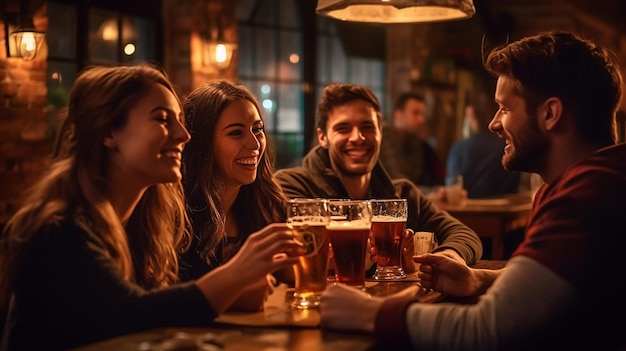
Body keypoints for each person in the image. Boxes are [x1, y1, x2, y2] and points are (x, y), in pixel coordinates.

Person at [320, 31, 626, 350]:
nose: (493, 124)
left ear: (550, 114)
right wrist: (479, 278)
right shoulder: (581, 184)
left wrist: (371, 312)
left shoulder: (590, 193)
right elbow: (559, 284)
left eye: (505, 109)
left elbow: (486, 331)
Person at [0, 65, 304, 351]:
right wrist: (237, 273)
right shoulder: (60, 229)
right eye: (162, 119)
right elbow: (130, 315)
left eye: (180, 122)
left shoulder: (144, 220)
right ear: (108, 133)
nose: (184, 136)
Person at [274, 83, 483, 273]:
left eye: (367, 127)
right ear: (323, 138)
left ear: (380, 132)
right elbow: (284, 263)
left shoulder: (402, 194)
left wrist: (444, 258)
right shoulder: (293, 189)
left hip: (390, 311)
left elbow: (464, 235)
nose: (357, 138)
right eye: (343, 128)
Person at [180, 80, 293, 310]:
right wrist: (231, 294)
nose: (254, 144)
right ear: (203, 143)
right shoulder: (178, 212)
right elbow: (165, 299)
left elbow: (286, 278)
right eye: (235, 133)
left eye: (258, 129)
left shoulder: (264, 206)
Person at [447, 88, 521, 198]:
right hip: (506, 213)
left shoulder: (459, 149)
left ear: (470, 112)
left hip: (466, 214)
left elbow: (452, 188)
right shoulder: (510, 147)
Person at [378, 92, 446, 199]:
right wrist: (431, 192)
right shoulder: (383, 138)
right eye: (416, 113)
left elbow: (413, 181)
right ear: (398, 115)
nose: (421, 119)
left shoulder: (414, 141)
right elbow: (398, 182)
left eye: (423, 114)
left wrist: (439, 191)